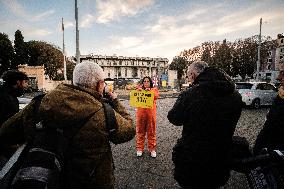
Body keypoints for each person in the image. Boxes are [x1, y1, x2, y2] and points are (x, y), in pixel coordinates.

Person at [0, 61, 135, 189]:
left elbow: (5, 132)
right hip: (91, 183)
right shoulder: (103, 113)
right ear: (100, 85)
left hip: (48, 179)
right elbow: (129, 130)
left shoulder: (39, 104)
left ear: (74, 81)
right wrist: (115, 101)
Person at [167, 61, 242, 189]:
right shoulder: (234, 94)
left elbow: (174, 118)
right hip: (221, 158)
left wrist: (184, 97)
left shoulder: (192, 94)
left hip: (193, 160)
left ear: (193, 74)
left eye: (188, 75)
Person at [253, 63, 284, 154]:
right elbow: (269, 126)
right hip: (270, 157)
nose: (278, 78)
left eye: (283, 74)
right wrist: (258, 149)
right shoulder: (280, 96)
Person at [136, 76, 159, 158]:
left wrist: (149, 92)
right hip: (141, 115)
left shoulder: (154, 90)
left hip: (151, 116)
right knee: (140, 132)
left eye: (147, 81)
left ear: (150, 83)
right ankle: (139, 148)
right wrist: (139, 91)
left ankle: (152, 149)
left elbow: (156, 96)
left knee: (151, 132)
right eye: (144, 81)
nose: (146, 83)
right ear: (142, 83)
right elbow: (134, 96)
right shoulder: (138, 90)